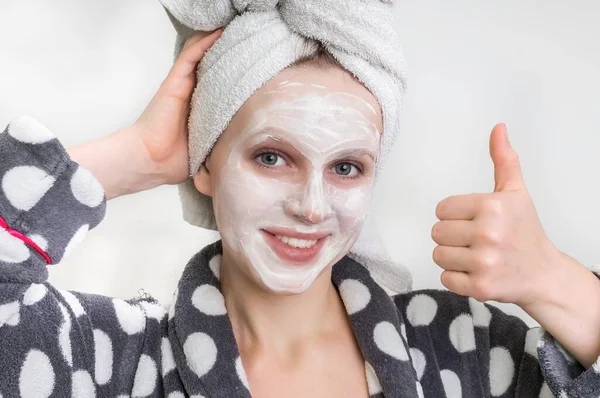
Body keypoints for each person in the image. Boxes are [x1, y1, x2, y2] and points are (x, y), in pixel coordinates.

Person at [1, 2, 600, 398]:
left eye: (346, 167)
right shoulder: (115, 361)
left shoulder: (465, 349)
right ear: (204, 163)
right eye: (272, 157)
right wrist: (133, 158)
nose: (313, 207)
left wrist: (555, 281)